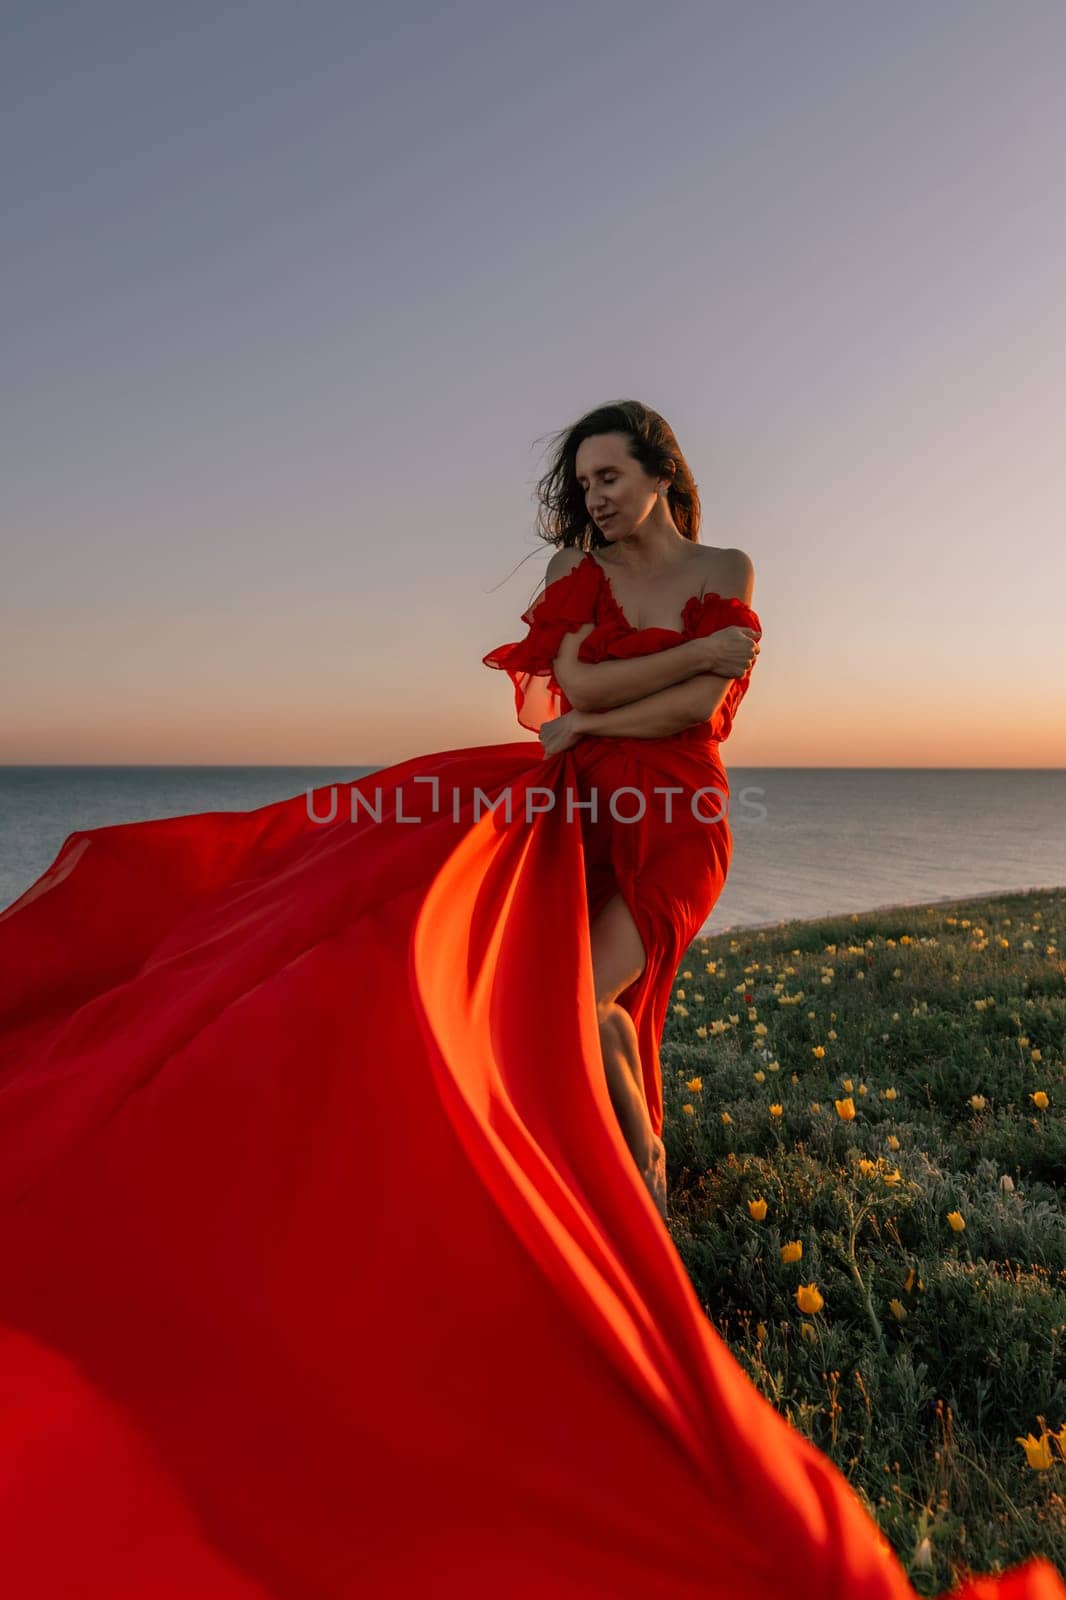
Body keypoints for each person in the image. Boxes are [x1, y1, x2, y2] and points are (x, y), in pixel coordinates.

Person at [0, 400, 1060, 1599]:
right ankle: (633, 1189)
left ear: (662, 472)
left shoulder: (727, 567)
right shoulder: (578, 573)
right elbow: (566, 695)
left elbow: (683, 721)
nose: (596, 496)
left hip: (677, 824)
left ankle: (637, 1190)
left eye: (612, 474)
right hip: (573, 816)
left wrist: (645, 693)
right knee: (518, 984)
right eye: (583, 479)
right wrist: (675, 671)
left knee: (592, 999)